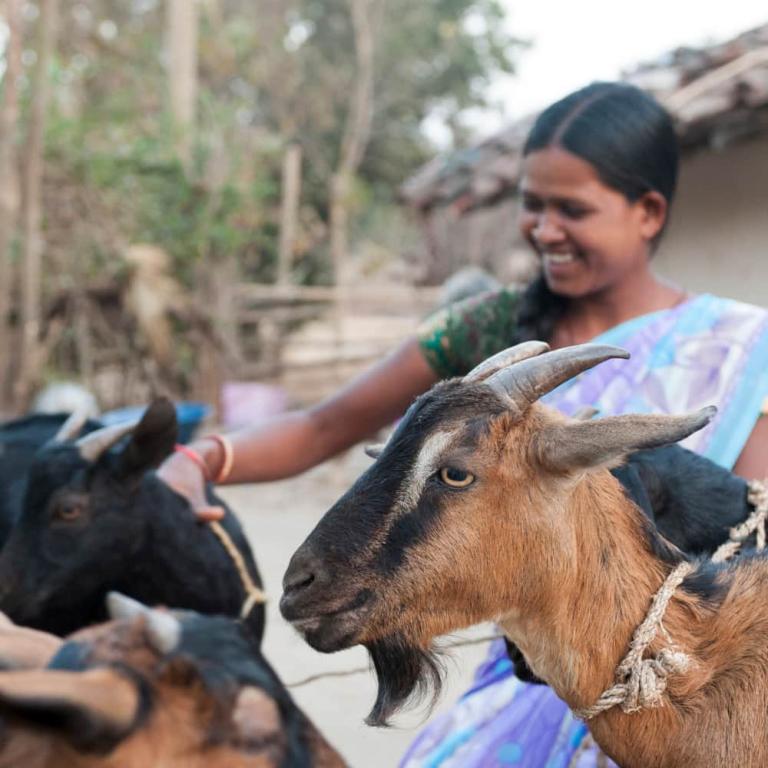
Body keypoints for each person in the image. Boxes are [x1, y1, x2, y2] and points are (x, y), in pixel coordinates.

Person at [159, 82, 768, 766]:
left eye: (572, 209)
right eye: (531, 206)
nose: (544, 229)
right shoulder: (490, 329)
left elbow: (750, 538)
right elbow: (324, 426)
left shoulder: (745, 347)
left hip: (685, 697)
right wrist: (197, 459)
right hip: (519, 685)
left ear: (649, 212)